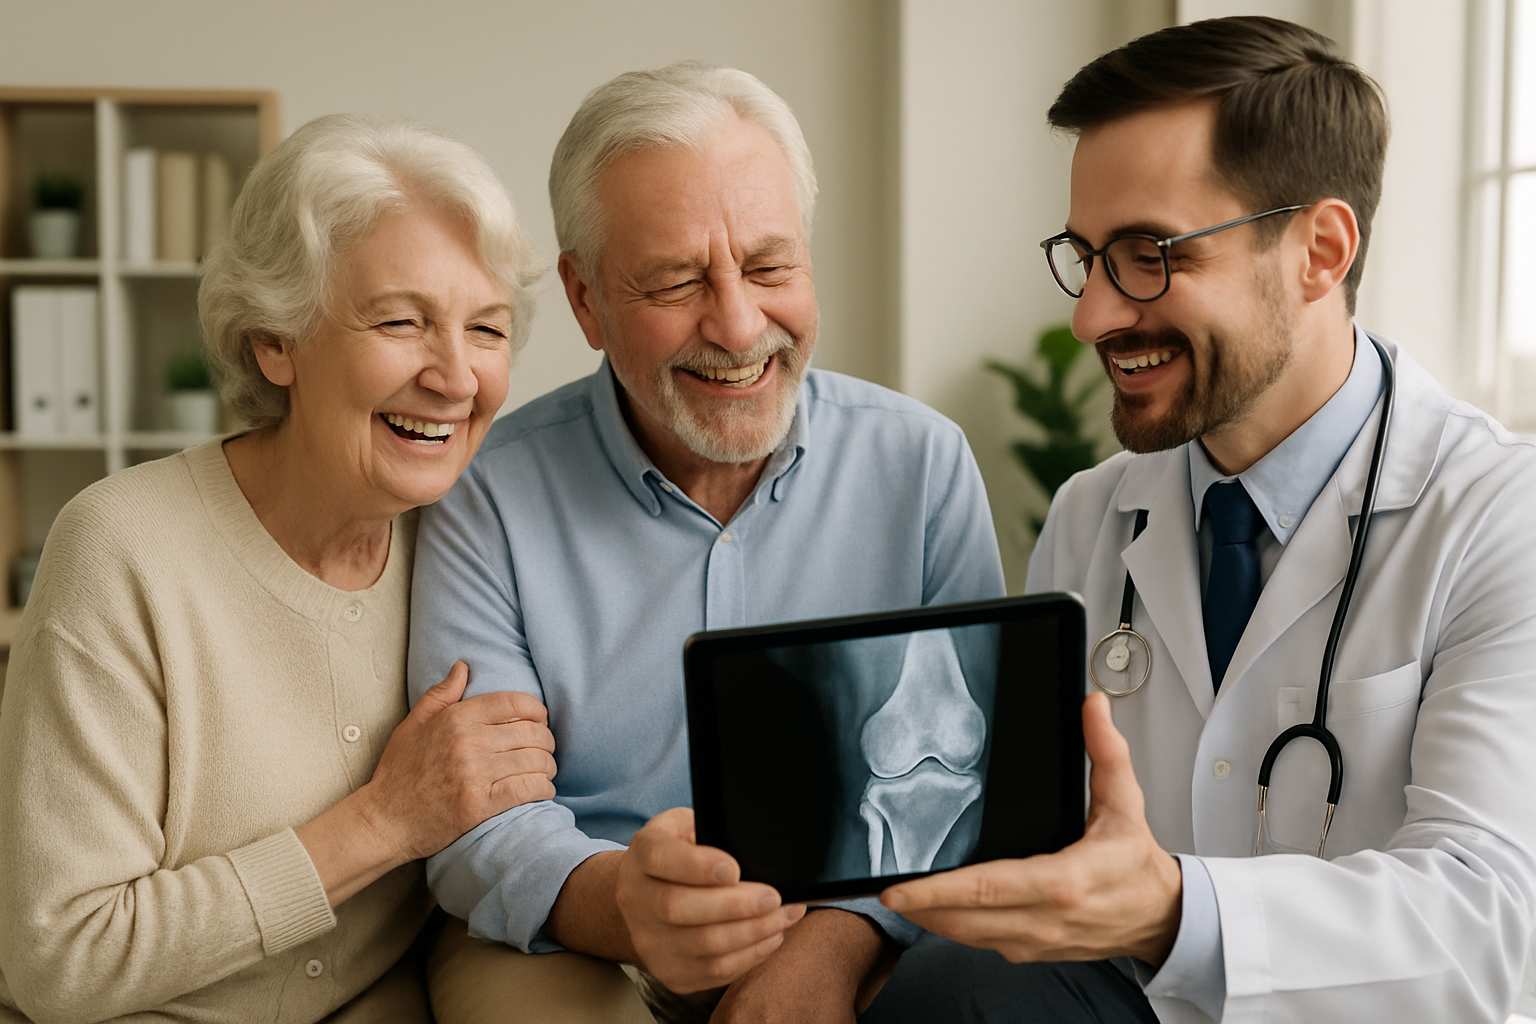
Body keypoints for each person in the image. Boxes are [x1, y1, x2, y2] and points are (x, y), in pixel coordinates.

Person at [870, 16, 1536, 1024]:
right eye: (1087, 257)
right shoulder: (1092, 516)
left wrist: (1172, 910)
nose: (1092, 316)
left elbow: (1487, 926)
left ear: (1319, 251)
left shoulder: (1499, 515)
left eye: (1149, 256)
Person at [407, 62, 1006, 1022]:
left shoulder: (923, 464)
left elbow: (973, 785)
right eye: (676, 281)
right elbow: (481, 821)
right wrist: (628, 907)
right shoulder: (487, 493)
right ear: (585, 299)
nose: (737, 325)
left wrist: (831, 947)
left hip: (862, 917)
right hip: (586, 931)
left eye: (769, 268)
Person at [0, 114, 557, 1022]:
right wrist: (383, 822)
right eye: (401, 320)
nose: (456, 377)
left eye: (486, 329)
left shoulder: (470, 543)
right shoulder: (120, 548)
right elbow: (61, 960)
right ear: (274, 340)